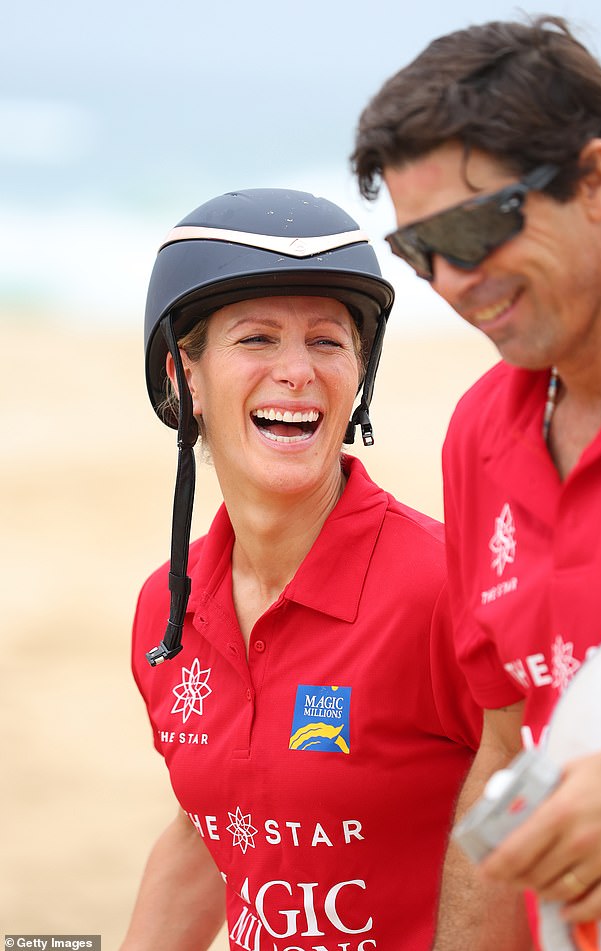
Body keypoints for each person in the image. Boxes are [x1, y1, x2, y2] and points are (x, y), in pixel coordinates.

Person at [122, 187, 481, 951]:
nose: (297, 371)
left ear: (359, 376)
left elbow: (545, 809)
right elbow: (207, 829)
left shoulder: (447, 587)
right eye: (256, 339)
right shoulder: (167, 606)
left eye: (326, 341)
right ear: (184, 377)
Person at [351, 14, 601, 951]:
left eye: (474, 227)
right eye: (417, 252)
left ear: (594, 180)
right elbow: (508, 751)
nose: (453, 280)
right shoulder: (482, 431)